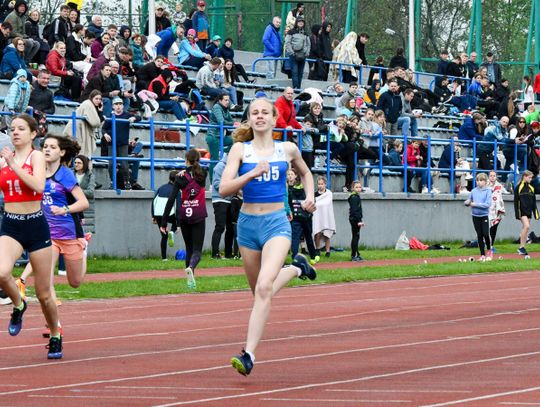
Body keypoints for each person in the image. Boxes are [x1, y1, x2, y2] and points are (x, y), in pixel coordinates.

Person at [219, 97, 317, 376]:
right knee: (260, 293)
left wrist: (310, 196)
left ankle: (248, 354)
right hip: (248, 225)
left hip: (276, 223)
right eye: (254, 113)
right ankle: (297, 268)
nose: (260, 116)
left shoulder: (287, 148)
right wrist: (251, 174)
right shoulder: (240, 149)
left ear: (275, 119)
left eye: (265, 112)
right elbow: (225, 188)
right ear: (249, 120)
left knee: (264, 288)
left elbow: (307, 174)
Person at [0, 113, 62, 358]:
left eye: (21, 128)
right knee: (2, 273)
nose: (15, 132)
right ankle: (18, 303)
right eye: (12, 128)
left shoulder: (36, 156)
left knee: (45, 294)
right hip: (11, 224)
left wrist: (13, 165)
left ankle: (55, 334)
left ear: (33, 133)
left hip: (35, 225)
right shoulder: (3, 160)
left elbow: (38, 186)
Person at [19, 135, 89, 307]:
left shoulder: (65, 175)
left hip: (70, 233)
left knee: (75, 282)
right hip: (48, 235)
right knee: (45, 280)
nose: (47, 149)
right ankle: (53, 324)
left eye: (52, 147)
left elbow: (84, 203)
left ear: (62, 152)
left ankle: (84, 248)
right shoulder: (38, 172)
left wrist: (63, 209)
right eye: (45, 147)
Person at [160, 149, 207, 289]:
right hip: (198, 215)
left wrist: (164, 221)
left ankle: (190, 282)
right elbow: (197, 170)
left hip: (184, 215)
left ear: (186, 160)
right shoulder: (203, 174)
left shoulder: (180, 177)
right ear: (198, 160)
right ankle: (191, 267)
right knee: (197, 250)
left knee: (189, 248)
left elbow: (171, 200)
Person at [101, 97, 141, 190]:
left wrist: (133, 117)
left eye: (120, 104)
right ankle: (112, 181)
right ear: (113, 106)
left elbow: (139, 117)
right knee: (111, 164)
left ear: (123, 106)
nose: (118, 106)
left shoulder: (126, 115)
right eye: (116, 104)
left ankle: (126, 181)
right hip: (112, 144)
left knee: (124, 164)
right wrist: (105, 134)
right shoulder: (110, 117)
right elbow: (103, 128)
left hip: (123, 143)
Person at [287, 168, 318, 263]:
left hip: (296, 217)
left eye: (291, 174)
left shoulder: (290, 189)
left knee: (295, 238)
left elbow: (289, 203)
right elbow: (312, 201)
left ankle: (295, 258)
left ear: (296, 176)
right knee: (308, 236)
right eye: (288, 174)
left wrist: (290, 212)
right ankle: (313, 256)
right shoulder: (307, 189)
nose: (289, 176)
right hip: (306, 216)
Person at [63, 90, 104, 159]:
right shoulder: (88, 104)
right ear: (91, 98)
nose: (98, 101)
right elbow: (95, 123)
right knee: (78, 154)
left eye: (100, 99)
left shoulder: (92, 106)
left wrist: (100, 111)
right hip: (76, 131)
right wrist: (100, 113)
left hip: (80, 130)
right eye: (96, 99)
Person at [464, 172, 493, 261]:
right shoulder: (473, 191)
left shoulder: (488, 191)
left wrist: (475, 204)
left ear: (485, 181)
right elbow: (469, 200)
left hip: (484, 216)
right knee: (479, 235)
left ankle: (489, 250)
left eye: (481, 180)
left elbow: (487, 204)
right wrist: (467, 202)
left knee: (485, 234)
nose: (479, 182)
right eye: (477, 180)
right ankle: (482, 254)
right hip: (475, 216)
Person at [152, 170, 180, 261]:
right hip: (170, 214)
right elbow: (178, 207)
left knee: (164, 236)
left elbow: (153, 201)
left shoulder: (161, 188)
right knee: (176, 222)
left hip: (158, 213)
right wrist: (178, 224)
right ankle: (172, 230)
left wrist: (153, 216)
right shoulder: (177, 191)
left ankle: (164, 258)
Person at [207, 93, 236, 179]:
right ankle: (212, 183)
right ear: (220, 100)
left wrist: (232, 123)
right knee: (214, 160)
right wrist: (232, 124)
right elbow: (221, 122)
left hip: (221, 137)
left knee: (234, 141)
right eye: (225, 100)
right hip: (213, 136)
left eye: (228, 100)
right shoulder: (216, 107)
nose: (228, 102)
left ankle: (222, 151)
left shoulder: (225, 109)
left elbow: (230, 120)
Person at [211, 154, 234, 259]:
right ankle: (215, 253)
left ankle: (229, 254)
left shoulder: (233, 166)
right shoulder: (220, 166)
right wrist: (231, 188)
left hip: (229, 200)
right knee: (220, 227)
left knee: (230, 228)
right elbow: (216, 184)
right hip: (220, 200)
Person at [514, 170, 538, 257]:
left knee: (526, 228)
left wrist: (536, 213)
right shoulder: (518, 187)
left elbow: (534, 202)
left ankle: (522, 247)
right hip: (522, 211)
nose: (530, 179)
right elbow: (516, 202)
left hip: (528, 212)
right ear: (524, 176)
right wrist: (517, 213)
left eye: (531, 177)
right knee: (527, 226)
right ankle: (521, 247)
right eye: (529, 177)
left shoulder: (532, 188)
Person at [284, 16, 310, 90]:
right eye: (299, 21)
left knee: (300, 73)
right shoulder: (291, 32)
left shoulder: (305, 33)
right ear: (296, 23)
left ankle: (299, 87)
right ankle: (295, 88)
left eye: (302, 22)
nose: (301, 23)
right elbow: (287, 42)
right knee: (294, 72)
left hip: (303, 56)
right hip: (294, 55)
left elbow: (308, 44)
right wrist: (292, 52)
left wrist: (307, 53)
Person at [312, 176, 335, 257]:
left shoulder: (329, 194)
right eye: (319, 184)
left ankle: (328, 251)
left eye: (322, 184)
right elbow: (314, 204)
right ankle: (317, 249)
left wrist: (318, 204)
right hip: (317, 217)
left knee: (327, 234)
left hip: (326, 217)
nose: (320, 186)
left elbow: (327, 204)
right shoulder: (314, 194)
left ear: (325, 184)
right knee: (317, 233)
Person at [73, 154, 95, 232]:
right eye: (75, 162)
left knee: (86, 232)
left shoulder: (90, 175)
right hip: (72, 206)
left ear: (84, 164)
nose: (76, 164)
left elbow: (91, 192)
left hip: (85, 208)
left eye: (79, 163)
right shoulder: (71, 174)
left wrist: (76, 191)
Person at [487, 170, 505, 249]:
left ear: (496, 176)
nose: (492, 177)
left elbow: (504, 193)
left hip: (497, 210)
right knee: (488, 228)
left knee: (494, 228)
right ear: (488, 176)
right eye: (491, 175)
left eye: (494, 176)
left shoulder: (499, 185)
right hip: (488, 210)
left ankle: (491, 245)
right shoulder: (486, 185)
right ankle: (487, 245)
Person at [348, 180, 364, 261]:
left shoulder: (356, 196)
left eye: (360, 187)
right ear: (353, 188)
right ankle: (353, 255)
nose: (358, 189)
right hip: (354, 220)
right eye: (356, 187)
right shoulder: (354, 197)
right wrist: (359, 221)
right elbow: (355, 211)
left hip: (355, 219)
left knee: (356, 236)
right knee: (355, 237)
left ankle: (356, 254)